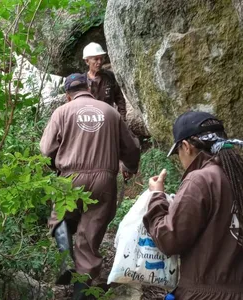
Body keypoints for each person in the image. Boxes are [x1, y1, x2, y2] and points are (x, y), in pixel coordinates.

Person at [40, 73, 140, 299]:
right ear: (88, 88)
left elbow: (46, 150)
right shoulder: (111, 112)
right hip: (104, 179)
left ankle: (66, 261)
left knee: (59, 219)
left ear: (68, 96)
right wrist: (130, 168)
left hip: (69, 177)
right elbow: (132, 149)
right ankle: (81, 292)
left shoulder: (62, 112)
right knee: (89, 236)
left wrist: (55, 170)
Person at [143, 111, 243, 300]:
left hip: (205, 293)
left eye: (178, 153)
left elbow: (169, 239)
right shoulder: (236, 174)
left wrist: (156, 196)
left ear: (186, 147)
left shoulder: (200, 180)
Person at [82, 42, 127, 122]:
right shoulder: (82, 80)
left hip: (108, 120)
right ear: (87, 61)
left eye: (101, 58)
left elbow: (119, 98)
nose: (99, 62)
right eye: (96, 59)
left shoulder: (109, 76)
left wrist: (122, 118)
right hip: (90, 123)